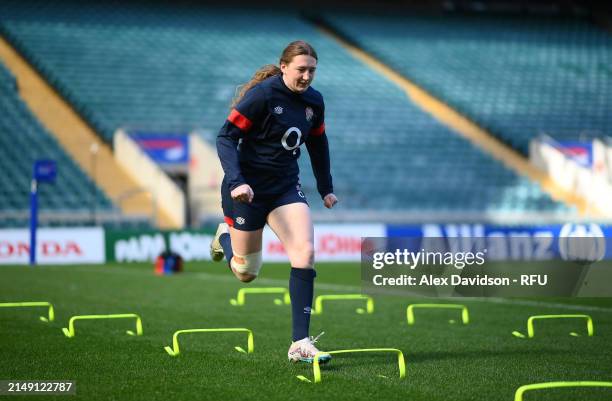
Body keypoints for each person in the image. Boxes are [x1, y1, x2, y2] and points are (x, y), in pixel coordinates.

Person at [210, 40, 338, 364]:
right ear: (284, 67)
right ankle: (224, 236)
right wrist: (237, 182)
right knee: (246, 273)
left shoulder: (315, 102)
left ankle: (300, 342)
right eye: (301, 69)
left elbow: (318, 144)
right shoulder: (263, 95)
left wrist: (325, 188)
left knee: (305, 253)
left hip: (284, 188)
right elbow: (226, 137)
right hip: (247, 191)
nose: (307, 76)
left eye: (312, 70)